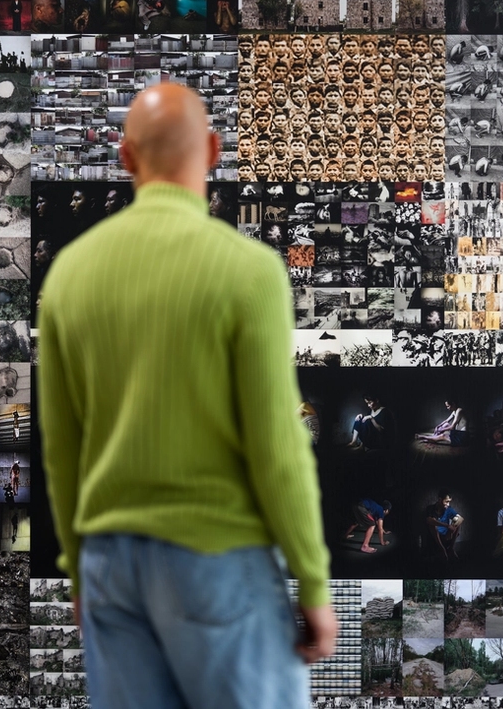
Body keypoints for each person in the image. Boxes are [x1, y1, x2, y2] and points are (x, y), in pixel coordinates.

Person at [39, 82, 336, 708]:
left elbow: (61, 449)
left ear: (125, 158)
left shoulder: (68, 275)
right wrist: (311, 578)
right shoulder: (248, 271)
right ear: (212, 150)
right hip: (218, 560)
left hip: (109, 568)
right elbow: (277, 446)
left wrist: (77, 572)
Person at [425, 489, 463, 559]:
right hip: (435, 537)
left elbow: (460, 518)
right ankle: (442, 549)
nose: (448, 504)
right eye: (446, 501)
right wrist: (447, 525)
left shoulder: (448, 509)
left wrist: (452, 527)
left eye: (449, 502)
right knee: (432, 524)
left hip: (446, 535)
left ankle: (451, 548)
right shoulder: (430, 508)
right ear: (440, 500)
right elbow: (429, 521)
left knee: (458, 523)